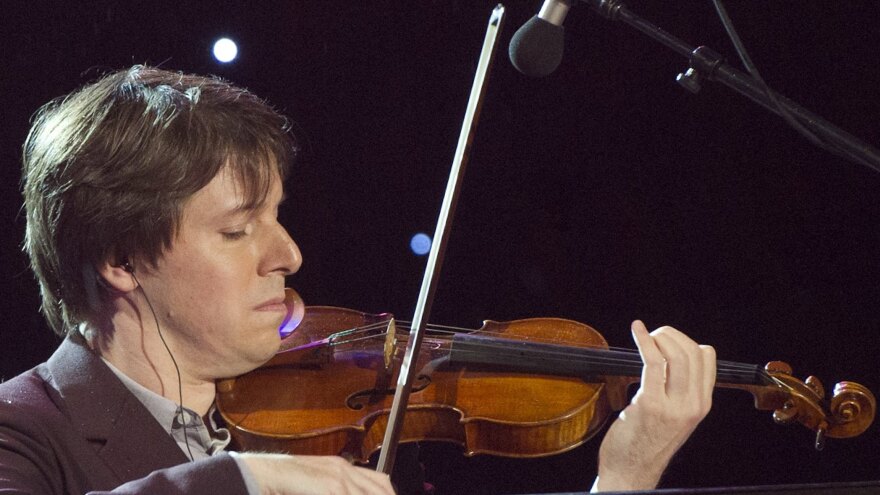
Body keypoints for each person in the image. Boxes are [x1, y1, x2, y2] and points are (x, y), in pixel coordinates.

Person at [0, 66, 715, 494]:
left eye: (276, 216)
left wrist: (622, 478)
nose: (288, 253)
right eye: (236, 228)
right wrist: (247, 480)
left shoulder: (326, 431)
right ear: (122, 261)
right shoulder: (25, 429)